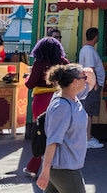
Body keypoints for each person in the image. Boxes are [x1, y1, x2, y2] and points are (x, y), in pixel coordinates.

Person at [36, 63, 96, 193]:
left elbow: (91, 82)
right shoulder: (62, 106)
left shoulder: (72, 97)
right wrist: (45, 171)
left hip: (64, 166)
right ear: (75, 82)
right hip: (63, 168)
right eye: (83, 78)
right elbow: (53, 140)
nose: (85, 81)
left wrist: (88, 72)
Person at [24, 36, 68, 178]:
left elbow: (30, 84)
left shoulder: (39, 63)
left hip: (41, 101)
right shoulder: (62, 62)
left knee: (42, 134)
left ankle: (35, 166)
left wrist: (27, 77)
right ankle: (57, 167)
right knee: (58, 133)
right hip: (59, 100)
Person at [77, 27, 105, 149]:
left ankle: (87, 136)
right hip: (91, 86)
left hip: (88, 85)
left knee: (88, 111)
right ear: (95, 37)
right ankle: (87, 139)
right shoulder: (89, 51)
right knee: (89, 112)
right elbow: (90, 69)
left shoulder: (86, 49)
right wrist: (94, 84)